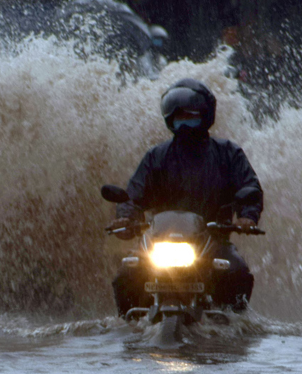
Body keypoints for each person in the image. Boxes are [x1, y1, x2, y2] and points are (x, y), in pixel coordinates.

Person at [107, 78, 264, 315]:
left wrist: (247, 217)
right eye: (178, 117)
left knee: (238, 272)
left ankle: (235, 329)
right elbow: (133, 195)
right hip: (158, 243)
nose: (185, 124)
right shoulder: (156, 157)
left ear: (206, 116)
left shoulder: (228, 154)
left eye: (191, 116)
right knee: (126, 274)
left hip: (213, 242)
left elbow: (250, 188)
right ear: (169, 120)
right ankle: (128, 326)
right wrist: (126, 218)